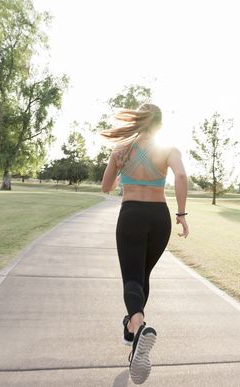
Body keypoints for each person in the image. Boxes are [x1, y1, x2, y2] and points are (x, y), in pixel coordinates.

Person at [100, 103, 189, 384]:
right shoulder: (169, 149)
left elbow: (105, 187)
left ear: (138, 121)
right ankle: (131, 327)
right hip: (160, 218)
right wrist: (182, 214)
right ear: (160, 125)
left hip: (132, 215)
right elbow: (182, 176)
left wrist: (121, 174)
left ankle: (137, 325)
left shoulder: (122, 149)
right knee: (142, 276)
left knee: (132, 279)